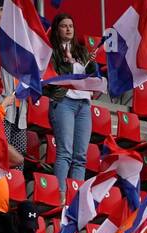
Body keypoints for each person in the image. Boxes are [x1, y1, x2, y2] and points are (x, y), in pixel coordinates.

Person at [46, 14, 95, 200]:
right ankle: (60, 195)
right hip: (63, 101)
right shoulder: (52, 51)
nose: (68, 29)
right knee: (65, 152)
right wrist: (67, 61)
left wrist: (92, 65)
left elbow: (93, 78)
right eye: (64, 26)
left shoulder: (82, 51)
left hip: (84, 103)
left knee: (80, 157)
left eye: (71, 25)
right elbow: (52, 78)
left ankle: (75, 198)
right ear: (57, 29)